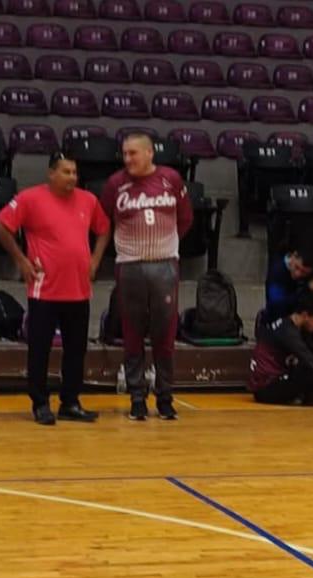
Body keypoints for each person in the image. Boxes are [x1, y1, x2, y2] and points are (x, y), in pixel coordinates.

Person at [0, 151, 111, 425]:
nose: (72, 177)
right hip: (44, 288)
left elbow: (104, 229)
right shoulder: (30, 198)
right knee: (40, 348)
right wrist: (21, 260)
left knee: (76, 349)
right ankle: (40, 402)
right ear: (51, 173)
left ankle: (70, 401)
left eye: (75, 172)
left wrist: (95, 260)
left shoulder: (88, 200)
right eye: (66, 172)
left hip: (78, 288)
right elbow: (0, 225)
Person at [99, 132, 193, 421]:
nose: (128, 159)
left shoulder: (171, 179)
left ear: (150, 153)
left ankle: (165, 397)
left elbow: (185, 218)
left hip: (164, 264)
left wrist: (166, 245)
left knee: (165, 333)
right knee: (132, 332)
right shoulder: (115, 184)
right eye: (124, 154)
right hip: (129, 265)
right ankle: (137, 397)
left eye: (133, 153)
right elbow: (104, 220)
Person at [248, 293, 313, 407]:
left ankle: (310, 395)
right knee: (308, 371)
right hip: (266, 389)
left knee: (310, 370)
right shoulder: (288, 333)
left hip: (273, 382)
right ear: (305, 315)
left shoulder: (292, 326)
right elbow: (312, 362)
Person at [262, 247, 313, 324]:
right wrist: (306, 289)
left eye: (304, 272)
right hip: (278, 321)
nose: (298, 274)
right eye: (297, 267)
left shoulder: (310, 275)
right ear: (293, 256)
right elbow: (276, 304)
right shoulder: (277, 271)